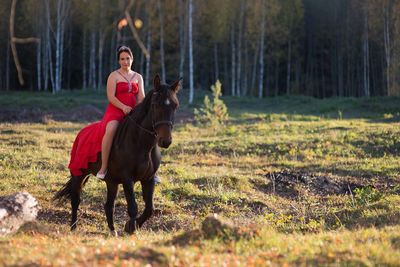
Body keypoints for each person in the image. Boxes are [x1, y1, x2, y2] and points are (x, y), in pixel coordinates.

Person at [68, 45, 161, 183]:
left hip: (133, 113)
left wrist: (139, 109)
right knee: (111, 129)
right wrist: (123, 107)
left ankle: (152, 171)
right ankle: (104, 167)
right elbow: (111, 97)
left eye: (127, 58)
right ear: (119, 61)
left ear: (132, 59)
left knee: (150, 129)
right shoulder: (114, 76)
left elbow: (140, 97)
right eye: (122, 59)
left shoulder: (138, 77)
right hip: (116, 111)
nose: (125, 62)